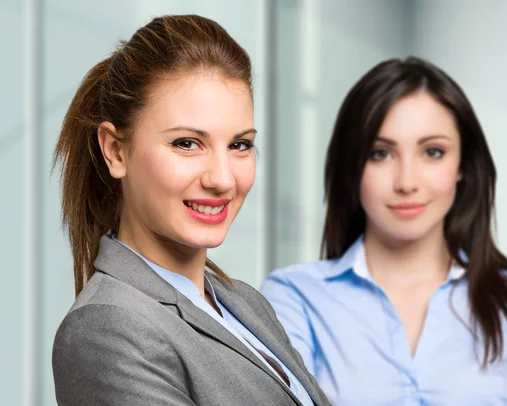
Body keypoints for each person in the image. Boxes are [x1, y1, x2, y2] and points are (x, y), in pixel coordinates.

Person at [261, 57, 507, 405]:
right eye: (380, 153)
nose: (407, 182)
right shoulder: (294, 298)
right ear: (352, 166)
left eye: (433, 152)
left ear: (463, 167)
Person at [52, 14, 329, 406]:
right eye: (186, 143)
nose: (222, 179)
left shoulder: (245, 303)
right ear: (115, 151)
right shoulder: (105, 326)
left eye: (239, 145)